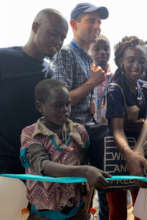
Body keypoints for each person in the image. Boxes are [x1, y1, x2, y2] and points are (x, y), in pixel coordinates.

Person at [20, 79, 110, 220]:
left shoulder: (79, 131)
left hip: (76, 211)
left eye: (67, 104)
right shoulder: (31, 133)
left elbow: (85, 160)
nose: (65, 110)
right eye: (58, 106)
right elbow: (43, 166)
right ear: (39, 107)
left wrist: (86, 194)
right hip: (43, 215)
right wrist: (85, 171)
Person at [0, 8, 68, 174]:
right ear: (35, 26)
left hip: (31, 163)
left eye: (62, 37)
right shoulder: (4, 59)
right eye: (53, 34)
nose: (58, 41)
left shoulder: (49, 73)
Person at [105, 36, 147, 220]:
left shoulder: (144, 87)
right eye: (131, 60)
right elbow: (117, 130)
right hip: (118, 153)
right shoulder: (114, 89)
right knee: (117, 210)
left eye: (141, 61)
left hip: (139, 151)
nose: (136, 65)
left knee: (141, 205)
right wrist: (130, 155)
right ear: (120, 62)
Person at [52, 2, 109, 124]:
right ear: (74, 24)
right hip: (71, 135)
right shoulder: (65, 53)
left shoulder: (87, 59)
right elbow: (59, 101)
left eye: (99, 22)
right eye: (91, 21)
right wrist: (92, 83)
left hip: (88, 130)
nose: (96, 26)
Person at [88, 34, 114, 123]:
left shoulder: (115, 78)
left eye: (106, 49)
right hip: (89, 125)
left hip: (110, 126)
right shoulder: (86, 77)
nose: (102, 52)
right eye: (96, 49)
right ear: (89, 52)